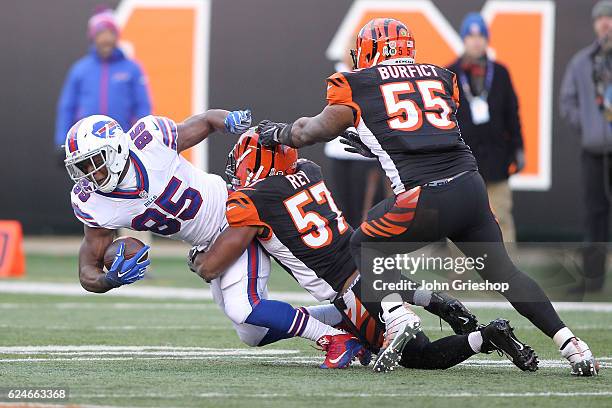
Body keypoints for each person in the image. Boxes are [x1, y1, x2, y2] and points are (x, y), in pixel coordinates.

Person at [255, 17, 599, 376]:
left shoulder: (356, 84)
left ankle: (397, 316)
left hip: (426, 199)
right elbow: (428, 132)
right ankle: (573, 345)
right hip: (470, 188)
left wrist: (277, 133)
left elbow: (312, 131)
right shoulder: (441, 76)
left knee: (364, 243)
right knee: (505, 272)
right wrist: (378, 146)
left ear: (372, 49)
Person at [188, 130, 538, 373]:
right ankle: (434, 300)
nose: (238, 171)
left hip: (349, 288)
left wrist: (198, 256)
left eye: (243, 162)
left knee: (420, 357)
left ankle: (485, 336)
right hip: (366, 263)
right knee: (358, 308)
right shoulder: (310, 170)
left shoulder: (253, 200)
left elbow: (212, 266)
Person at [63, 109, 367, 369]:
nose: (90, 172)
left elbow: (206, 121)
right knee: (253, 333)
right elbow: (88, 271)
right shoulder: (92, 201)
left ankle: (334, 339)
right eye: (82, 166)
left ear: (116, 149)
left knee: (244, 307)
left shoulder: (149, 139)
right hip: (204, 241)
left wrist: (229, 120)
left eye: (95, 161)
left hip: (235, 218)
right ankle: (341, 318)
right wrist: (111, 280)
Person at [447, 13, 524, 242]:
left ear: (487, 39)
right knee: (459, 223)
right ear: (463, 39)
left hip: (496, 162)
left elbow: (512, 114)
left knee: (501, 220)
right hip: (461, 165)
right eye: (470, 36)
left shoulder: (500, 73)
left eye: (480, 35)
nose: (476, 40)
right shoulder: (449, 74)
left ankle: (507, 277)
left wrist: (518, 148)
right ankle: (459, 278)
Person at [560, 0, 612, 293]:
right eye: (600, 19)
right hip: (594, 153)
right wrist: (590, 127)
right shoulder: (582, 62)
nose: (605, 23)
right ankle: (592, 281)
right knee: (594, 216)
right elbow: (567, 102)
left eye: (609, 18)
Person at [55, 7, 151, 148]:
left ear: (116, 36)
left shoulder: (133, 69)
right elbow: (67, 107)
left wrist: (144, 138)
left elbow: (143, 107)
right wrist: (62, 141)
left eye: (110, 33)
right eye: (101, 33)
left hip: (123, 143)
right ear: (93, 37)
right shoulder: (80, 69)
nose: (106, 38)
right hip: (86, 144)